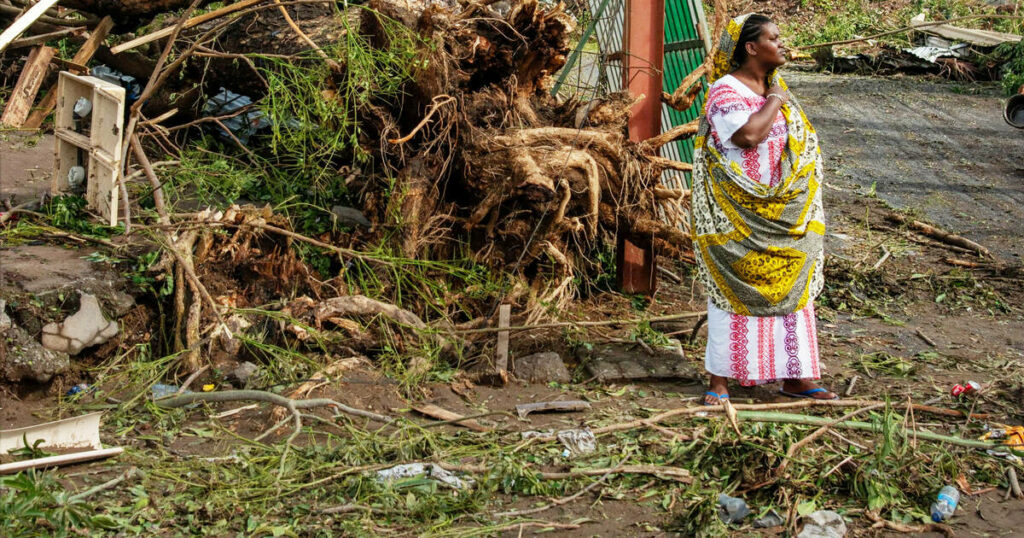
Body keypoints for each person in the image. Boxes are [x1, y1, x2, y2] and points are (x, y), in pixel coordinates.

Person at [690, 13, 837, 405]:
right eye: (774, 38)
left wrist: (776, 95)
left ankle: (798, 377)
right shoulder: (725, 90)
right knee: (731, 291)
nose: (782, 43)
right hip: (737, 215)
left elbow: (802, 148)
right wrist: (774, 100)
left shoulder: (778, 89)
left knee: (795, 290)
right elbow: (748, 136)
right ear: (752, 48)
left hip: (786, 217)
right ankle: (719, 381)